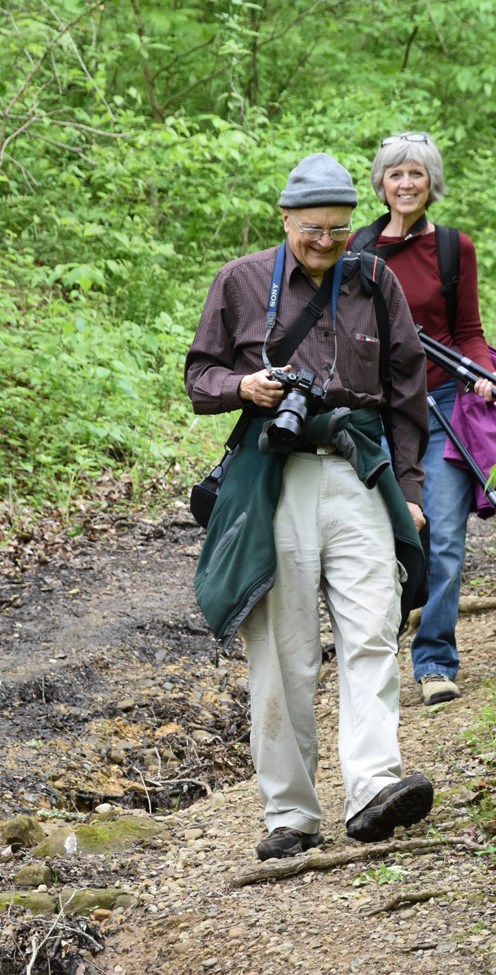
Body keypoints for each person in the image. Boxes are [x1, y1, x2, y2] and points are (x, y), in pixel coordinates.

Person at [185, 152, 434, 861]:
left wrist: (410, 493)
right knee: (283, 653)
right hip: (276, 475)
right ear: (287, 218)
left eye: (339, 228)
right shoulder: (239, 282)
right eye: (313, 228)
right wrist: (247, 388)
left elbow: (407, 393)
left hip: (358, 470)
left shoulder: (374, 280)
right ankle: (290, 815)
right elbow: (198, 376)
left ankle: (373, 788)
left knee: (371, 629)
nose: (326, 241)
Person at [349, 131, 496, 708]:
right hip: (376, 414)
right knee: (378, 540)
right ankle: (373, 659)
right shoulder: (356, 251)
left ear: (431, 181)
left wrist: (483, 371)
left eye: (417, 174)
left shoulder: (452, 248)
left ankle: (435, 660)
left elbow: (467, 329)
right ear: (382, 183)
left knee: (443, 536)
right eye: (396, 174)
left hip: (443, 405)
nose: (406, 184)